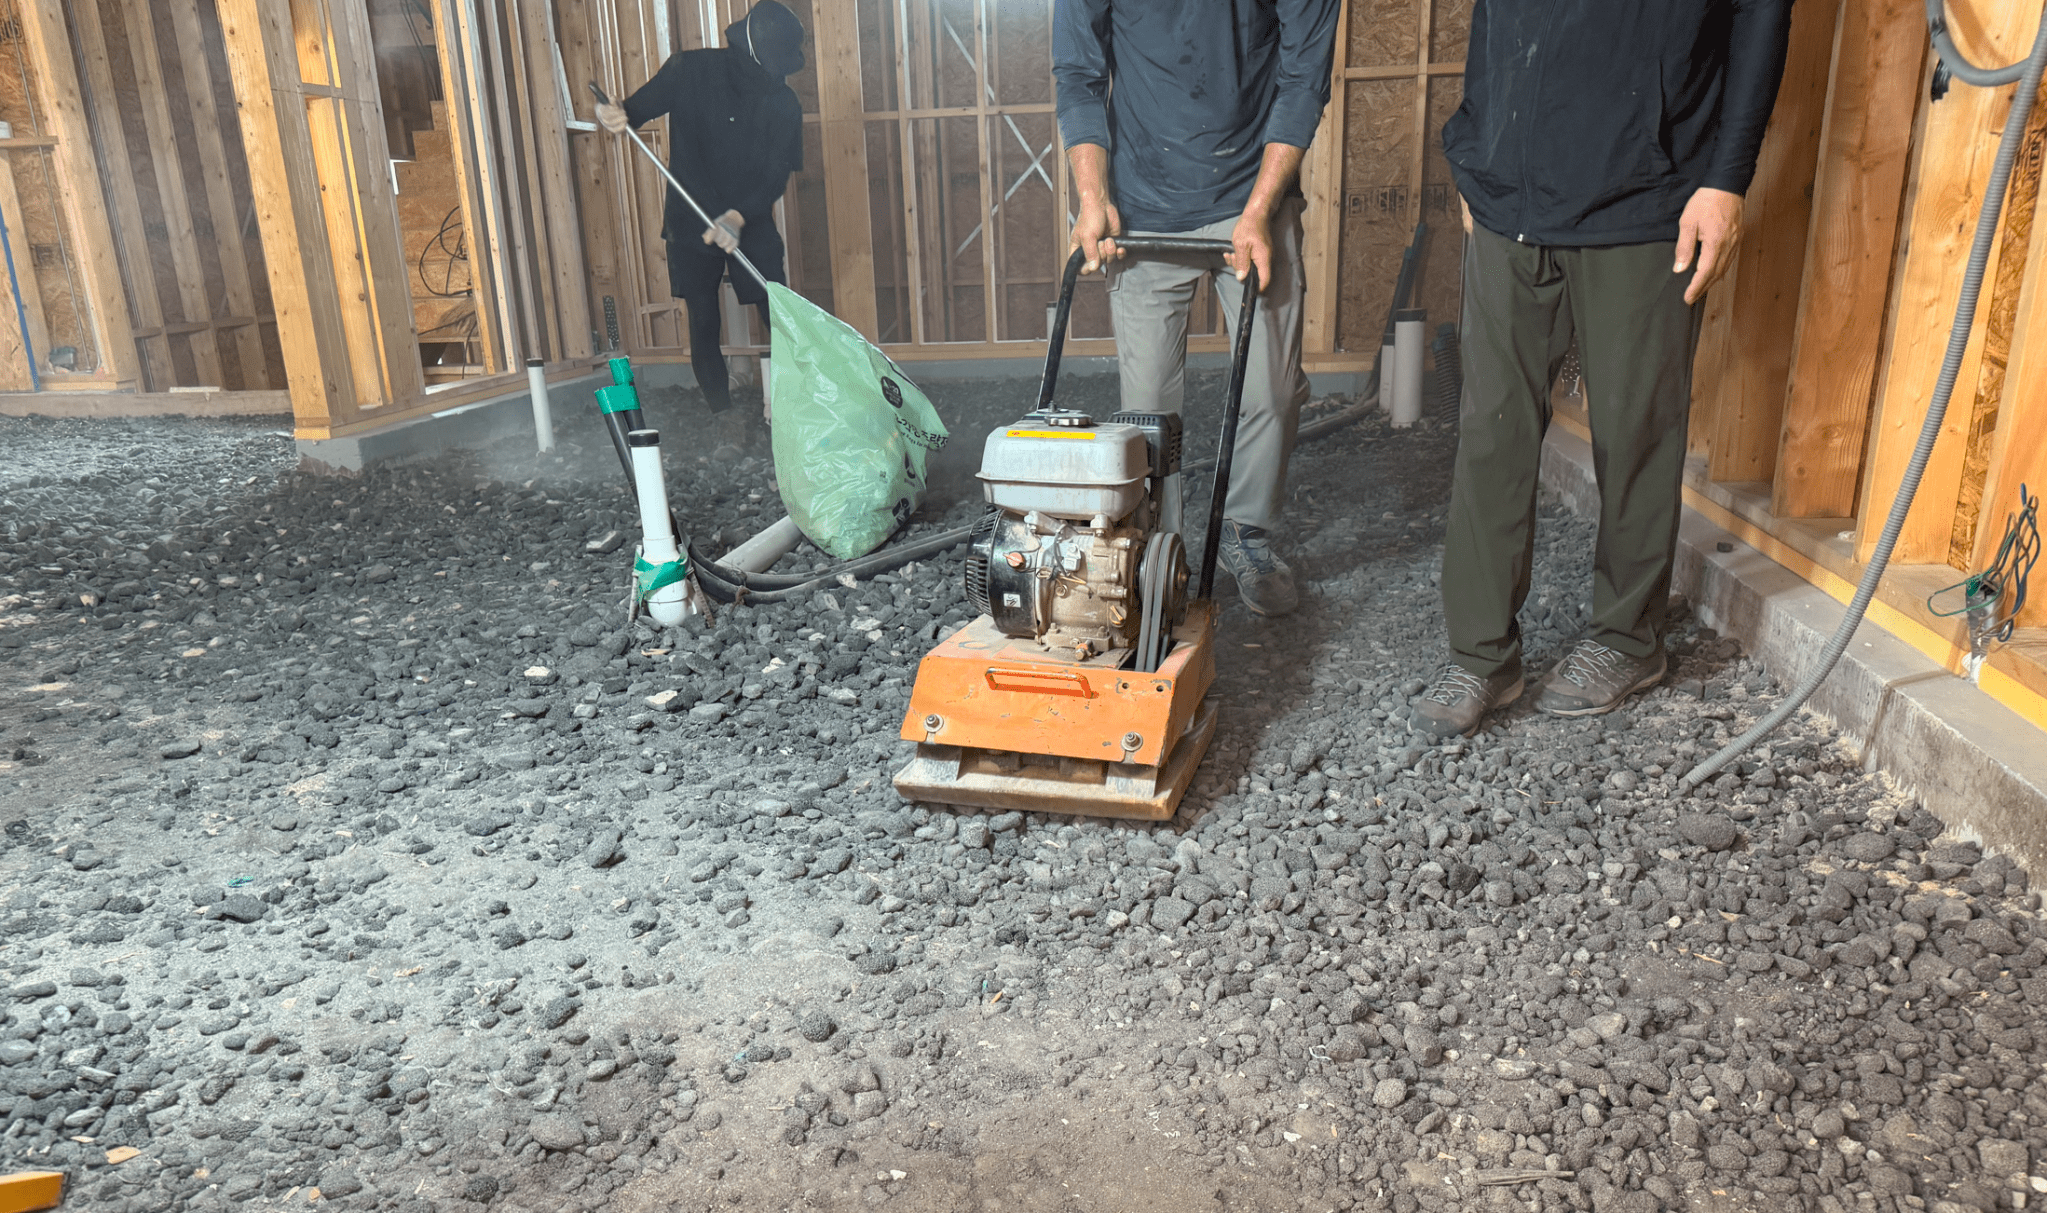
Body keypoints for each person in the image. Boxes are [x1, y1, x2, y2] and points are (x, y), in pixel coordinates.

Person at [1412, 0, 1793, 739]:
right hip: (1509, 197)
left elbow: (1760, 16)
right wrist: (1476, 143)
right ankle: (1481, 654)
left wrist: (1727, 179)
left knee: (1635, 430)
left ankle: (1626, 640)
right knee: (1490, 432)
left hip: (1643, 196)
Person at [1053, 0, 1340, 618]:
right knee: (1150, 413)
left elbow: (1304, 77)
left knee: (1274, 390)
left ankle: (1245, 531)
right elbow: (1077, 71)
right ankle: (1161, 552)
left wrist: (1260, 210)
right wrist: (1092, 197)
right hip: (1143, 202)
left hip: (1252, 193)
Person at [597, 2, 804, 417]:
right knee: (704, 319)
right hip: (690, 219)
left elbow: (776, 175)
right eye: (772, 66)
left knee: (777, 312)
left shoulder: (784, 102)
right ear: (750, 52)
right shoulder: (689, 71)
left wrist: (738, 217)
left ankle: (804, 404)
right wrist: (613, 113)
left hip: (752, 218)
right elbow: (632, 111)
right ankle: (722, 414)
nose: (777, 75)